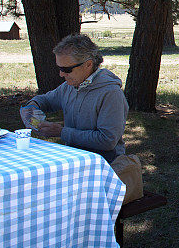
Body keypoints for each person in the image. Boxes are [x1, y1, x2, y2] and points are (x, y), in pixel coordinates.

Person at [20, 34, 128, 162]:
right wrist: (32, 106)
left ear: (88, 64)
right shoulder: (70, 86)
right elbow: (47, 100)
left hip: (103, 164)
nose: (61, 74)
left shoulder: (110, 93)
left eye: (66, 69)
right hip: (73, 158)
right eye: (59, 68)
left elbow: (107, 140)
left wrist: (62, 132)